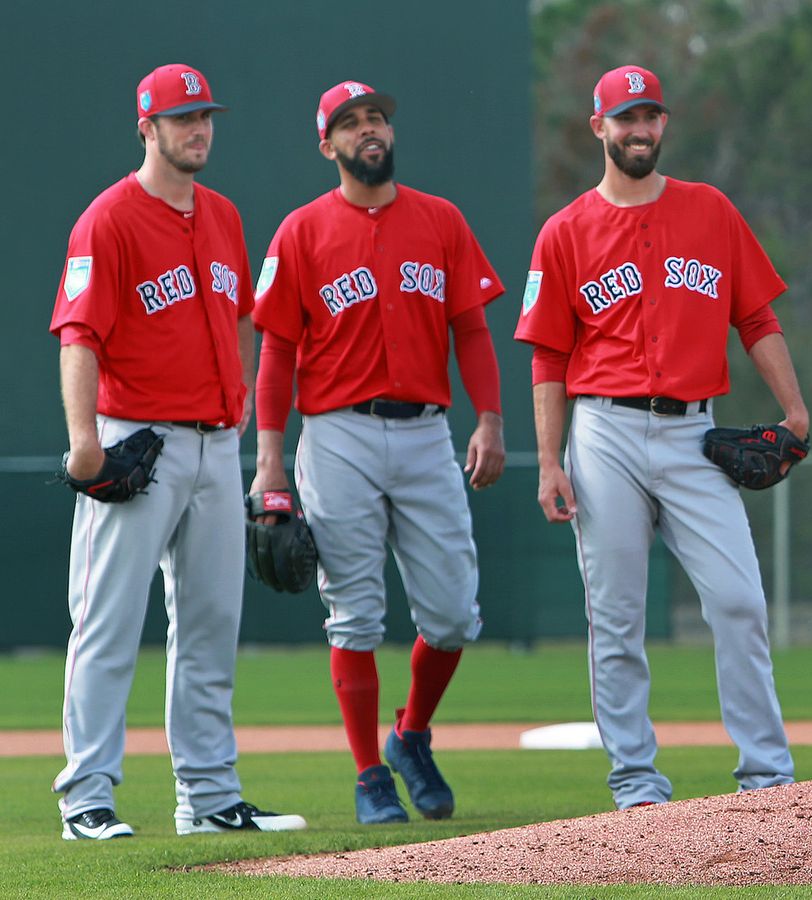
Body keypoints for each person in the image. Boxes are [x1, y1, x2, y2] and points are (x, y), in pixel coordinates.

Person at [516, 65, 808, 809]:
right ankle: (636, 781)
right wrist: (550, 460)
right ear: (599, 128)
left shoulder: (710, 210)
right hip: (604, 431)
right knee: (615, 615)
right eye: (624, 118)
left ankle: (766, 774)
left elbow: (756, 319)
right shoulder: (565, 232)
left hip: (694, 431)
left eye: (648, 116)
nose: (638, 130)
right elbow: (548, 354)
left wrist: (794, 409)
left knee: (739, 600)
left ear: (663, 124)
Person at [47, 63, 305, 840]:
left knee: (210, 625)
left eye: (205, 117)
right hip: (138, 444)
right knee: (107, 624)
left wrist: (249, 435)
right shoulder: (110, 218)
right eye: (182, 118)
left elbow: (243, 323)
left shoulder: (223, 215)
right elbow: (78, 334)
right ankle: (86, 797)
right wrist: (85, 443)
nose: (199, 129)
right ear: (147, 129)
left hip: (215, 446)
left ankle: (209, 796)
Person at [250, 80, 506, 824]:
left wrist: (489, 420)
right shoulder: (300, 231)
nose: (370, 131)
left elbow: (472, 330)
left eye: (378, 120)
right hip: (337, 434)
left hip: (428, 431)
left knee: (455, 616)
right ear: (326, 144)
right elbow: (276, 354)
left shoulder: (441, 220)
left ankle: (410, 736)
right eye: (352, 123)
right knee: (354, 617)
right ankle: (369, 775)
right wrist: (270, 461)